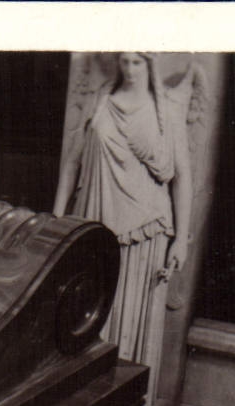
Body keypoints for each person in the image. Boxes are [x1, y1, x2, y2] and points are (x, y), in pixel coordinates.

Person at [53, 52, 192, 369]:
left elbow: (183, 178)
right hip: (94, 222)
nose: (129, 69)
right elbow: (72, 163)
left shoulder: (167, 111)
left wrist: (181, 239)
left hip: (144, 230)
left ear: (150, 63)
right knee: (88, 310)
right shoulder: (102, 100)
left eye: (137, 62)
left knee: (129, 318)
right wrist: (56, 220)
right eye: (125, 61)